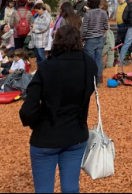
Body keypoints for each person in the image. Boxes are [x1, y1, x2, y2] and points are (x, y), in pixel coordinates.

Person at [20, 26, 97, 194]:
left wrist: (37, 124)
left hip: (47, 135)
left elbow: (27, 110)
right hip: (76, 133)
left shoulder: (47, 67)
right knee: (71, 188)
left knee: (44, 189)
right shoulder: (89, 64)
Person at [81, 0, 109, 84]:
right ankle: (97, 80)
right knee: (98, 60)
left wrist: (81, 38)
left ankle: (90, 81)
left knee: (89, 61)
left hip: (90, 39)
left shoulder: (88, 14)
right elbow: (105, 26)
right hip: (100, 38)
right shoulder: (104, 13)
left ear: (89, 3)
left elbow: (84, 29)